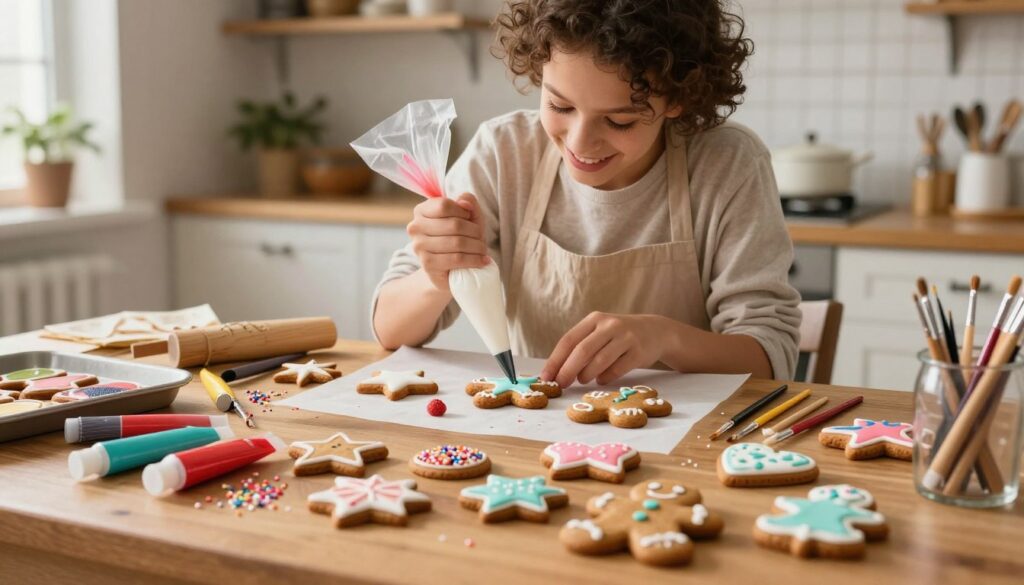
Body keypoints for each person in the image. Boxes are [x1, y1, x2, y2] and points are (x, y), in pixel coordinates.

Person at [371, 0, 801, 388]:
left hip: (689, 443)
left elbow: (769, 356)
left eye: (619, 122)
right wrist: (436, 278)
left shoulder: (727, 163)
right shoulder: (505, 153)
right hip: (536, 433)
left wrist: (664, 337)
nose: (580, 143)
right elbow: (388, 328)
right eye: (560, 107)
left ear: (677, 100)